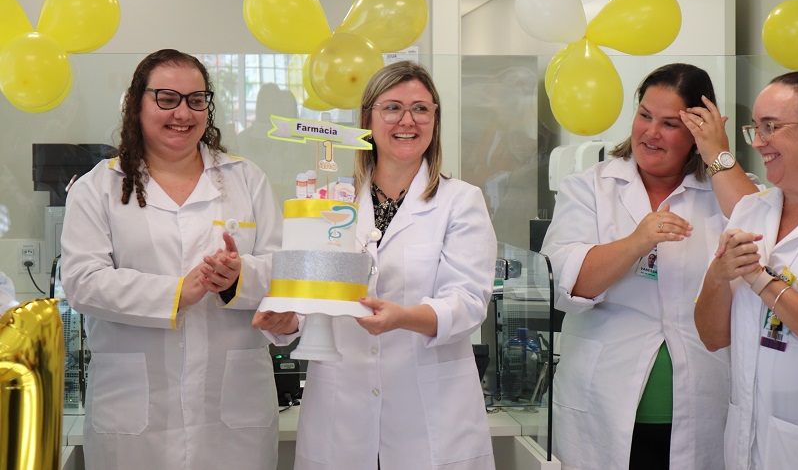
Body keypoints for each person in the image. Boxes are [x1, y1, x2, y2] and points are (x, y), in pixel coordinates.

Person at [254, 60, 498, 470]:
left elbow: (469, 301)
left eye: (421, 109)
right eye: (393, 108)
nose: (407, 120)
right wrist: (288, 320)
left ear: (435, 119)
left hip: (430, 415)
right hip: (343, 413)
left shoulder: (460, 201)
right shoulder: (332, 200)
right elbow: (311, 290)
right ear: (367, 118)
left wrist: (404, 317)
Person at [60, 49, 282, 470]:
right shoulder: (98, 187)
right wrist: (180, 291)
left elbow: (282, 271)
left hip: (232, 411)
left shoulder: (246, 179)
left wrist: (239, 277)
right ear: (136, 104)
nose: (183, 113)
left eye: (196, 100)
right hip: (134, 416)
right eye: (167, 99)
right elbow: (82, 282)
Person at [541, 63, 760, 470]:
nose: (651, 133)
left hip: (702, 398)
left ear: (697, 131)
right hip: (603, 397)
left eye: (670, 124)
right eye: (644, 115)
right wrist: (635, 243)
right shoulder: (590, 187)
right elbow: (566, 285)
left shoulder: (724, 189)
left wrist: (717, 155)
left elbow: (762, 230)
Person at [695, 71, 798, 470]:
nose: (757, 142)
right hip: (745, 442)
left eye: (770, 127)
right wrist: (718, 276)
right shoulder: (751, 210)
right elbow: (712, 337)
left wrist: (760, 280)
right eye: (755, 128)